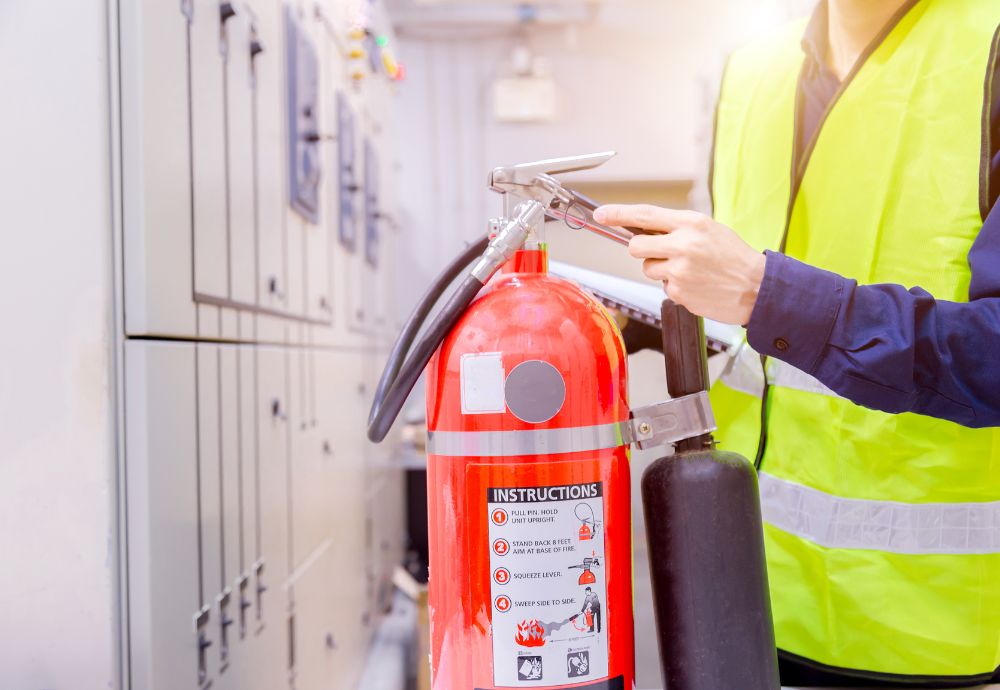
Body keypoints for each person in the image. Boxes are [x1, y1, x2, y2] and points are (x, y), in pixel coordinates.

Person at [595, 0, 1000, 686]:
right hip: (748, 602)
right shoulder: (749, 72)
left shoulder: (985, 44)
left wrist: (765, 294)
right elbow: (749, 337)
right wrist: (625, 323)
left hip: (935, 635)